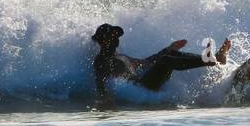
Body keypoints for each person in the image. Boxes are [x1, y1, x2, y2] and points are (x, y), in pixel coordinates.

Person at [92, 24, 230, 98]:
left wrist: (168, 49)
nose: (117, 39)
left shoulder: (121, 56)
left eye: (117, 36)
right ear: (103, 41)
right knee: (165, 60)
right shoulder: (101, 61)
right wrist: (107, 106)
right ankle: (207, 60)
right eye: (113, 37)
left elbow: (145, 63)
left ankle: (216, 59)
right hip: (141, 87)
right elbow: (102, 88)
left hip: (144, 81)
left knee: (169, 54)